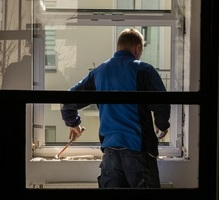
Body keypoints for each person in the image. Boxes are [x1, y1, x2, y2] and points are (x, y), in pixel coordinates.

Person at [60, 28, 170, 188]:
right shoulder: (144, 70)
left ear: (118, 48)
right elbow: (162, 103)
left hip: (110, 155)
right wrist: (161, 125)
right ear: (137, 48)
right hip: (138, 151)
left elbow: (67, 100)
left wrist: (74, 123)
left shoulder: (99, 73)